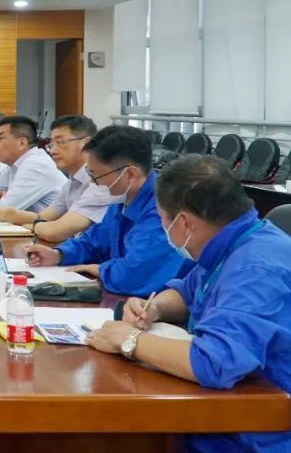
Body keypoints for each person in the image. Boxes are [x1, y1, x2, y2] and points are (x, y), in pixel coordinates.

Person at [87, 155, 291, 452]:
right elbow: (188, 291)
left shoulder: (255, 269)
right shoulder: (235, 238)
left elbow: (215, 362)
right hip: (227, 411)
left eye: (163, 220)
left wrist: (129, 340)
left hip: (259, 429)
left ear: (183, 222)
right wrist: (155, 308)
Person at [25, 125, 188, 296]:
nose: (93, 183)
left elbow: (133, 275)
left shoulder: (163, 208)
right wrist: (58, 254)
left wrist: (99, 269)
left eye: (97, 176)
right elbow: (92, 243)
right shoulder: (121, 199)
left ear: (130, 174)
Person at [0, 115, 112, 242]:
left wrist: (30, 226)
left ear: (86, 143)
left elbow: (55, 231)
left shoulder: (101, 182)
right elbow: (43, 216)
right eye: (52, 144)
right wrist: (8, 214)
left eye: (60, 142)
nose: (53, 150)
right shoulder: (73, 181)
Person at [0, 115, 65, 212]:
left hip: (54, 221)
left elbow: (3, 209)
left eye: (1, 138)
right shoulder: (14, 165)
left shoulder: (36, 164)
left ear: (22, 143)